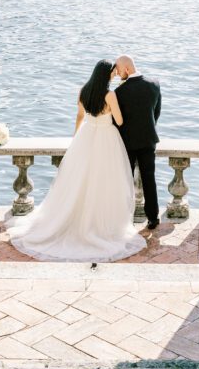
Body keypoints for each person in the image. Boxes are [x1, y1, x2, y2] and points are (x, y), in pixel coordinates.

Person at [10, 60, 146, 262]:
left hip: (86, 137)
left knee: (79, 182)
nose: (115, 74)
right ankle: (101, 225)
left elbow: (79, 116)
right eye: (113, 72)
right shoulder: (110, 95)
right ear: (107, 75)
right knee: (105, 182)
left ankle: (77, 222)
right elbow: (119, 121)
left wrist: (76, 140)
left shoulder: (83, 91)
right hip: (106, 139)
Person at [113, 55, 161, 230]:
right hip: (148, 140)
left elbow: (117, 121)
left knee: (126, 180)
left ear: (127, 69)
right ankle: (153, 218)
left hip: (128, 143)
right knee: (149, 178)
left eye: (118, 70)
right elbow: (156, 113)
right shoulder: (154, 84)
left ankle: (125, 218)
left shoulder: (120, 92)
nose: (118, 74)